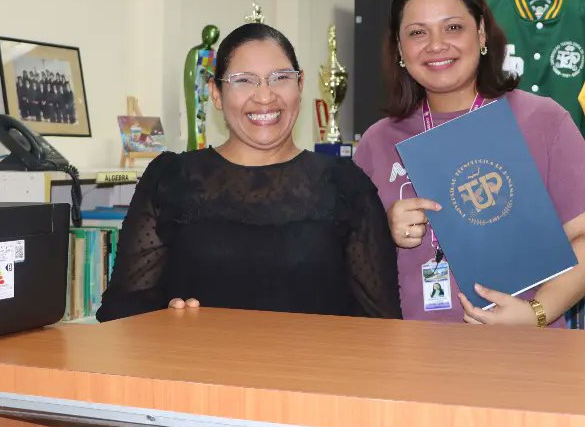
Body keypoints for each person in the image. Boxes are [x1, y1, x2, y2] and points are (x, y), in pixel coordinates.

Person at [353, 0, 585, 328]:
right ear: (400, 49)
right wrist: (384, 233)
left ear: (480, 33)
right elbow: (350, 265)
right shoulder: (376, 142)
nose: (436, 45)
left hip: (524, 357)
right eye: (417, 33)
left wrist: (536, 313)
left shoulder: (542, 120)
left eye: (453, 27)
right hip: (410, 356)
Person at [96, 22, 402, 323]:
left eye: (280, 77)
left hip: (311, 371)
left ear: (301, 84)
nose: (265, 96)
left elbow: (380, 324)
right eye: (244, 80)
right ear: (216, 93)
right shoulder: (171, 179)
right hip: (199, 370)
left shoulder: (345, 184)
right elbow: (121, 313)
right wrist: (164, 318)